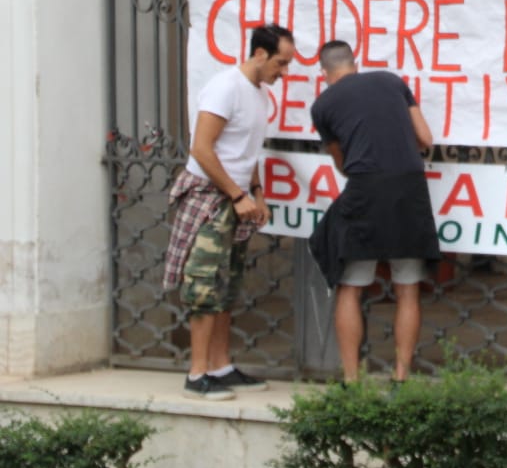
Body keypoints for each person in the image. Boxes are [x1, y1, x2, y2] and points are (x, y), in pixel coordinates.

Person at [163, 24, 294, 400]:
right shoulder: (226, 88)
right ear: (259, 54)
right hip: (211, 197)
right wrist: (238, 195)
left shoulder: (259, 96)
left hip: (235, 199)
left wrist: (256, 192)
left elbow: (247, 151)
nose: (283, 73)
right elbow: (202, 149)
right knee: (203, 285)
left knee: (226, 285)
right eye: (280, 63)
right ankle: (197, 374)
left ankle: (221, 366)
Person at [308, 40, 440, 383]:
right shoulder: (391, 81)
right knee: (407, 288)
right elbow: (425, 138)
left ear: (324, 74)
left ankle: (352, 381)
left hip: (365, 189)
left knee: (350, 287)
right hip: (409, 188)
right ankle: (401, 377)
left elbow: (342, 163)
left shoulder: (322, 106)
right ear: (356, 63)